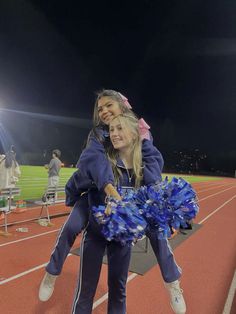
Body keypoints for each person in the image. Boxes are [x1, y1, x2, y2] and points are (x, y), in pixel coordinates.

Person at [39, 90, 185, 314]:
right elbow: (91, 161)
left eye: (109, 106)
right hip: (94, 211)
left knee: (122, 283)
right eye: (100, 109)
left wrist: (155, 193)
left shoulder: (142, 142)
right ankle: (52, 271)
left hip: (121, 232)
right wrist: (108, 189)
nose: (104, 112)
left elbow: (153, 160)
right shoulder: (99, 137)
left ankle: (172, 282)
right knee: (72, 232)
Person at [72, 114, 185, 314]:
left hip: (122, 239)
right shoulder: (103, 159)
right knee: (86, 289)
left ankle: (172, 281)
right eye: (112, 129)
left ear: (135, 134)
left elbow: (152, 196)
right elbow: (83, 179)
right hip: (96, 234)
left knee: (118, 290)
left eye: (120, 129)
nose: (114, 134)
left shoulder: (144, 165)